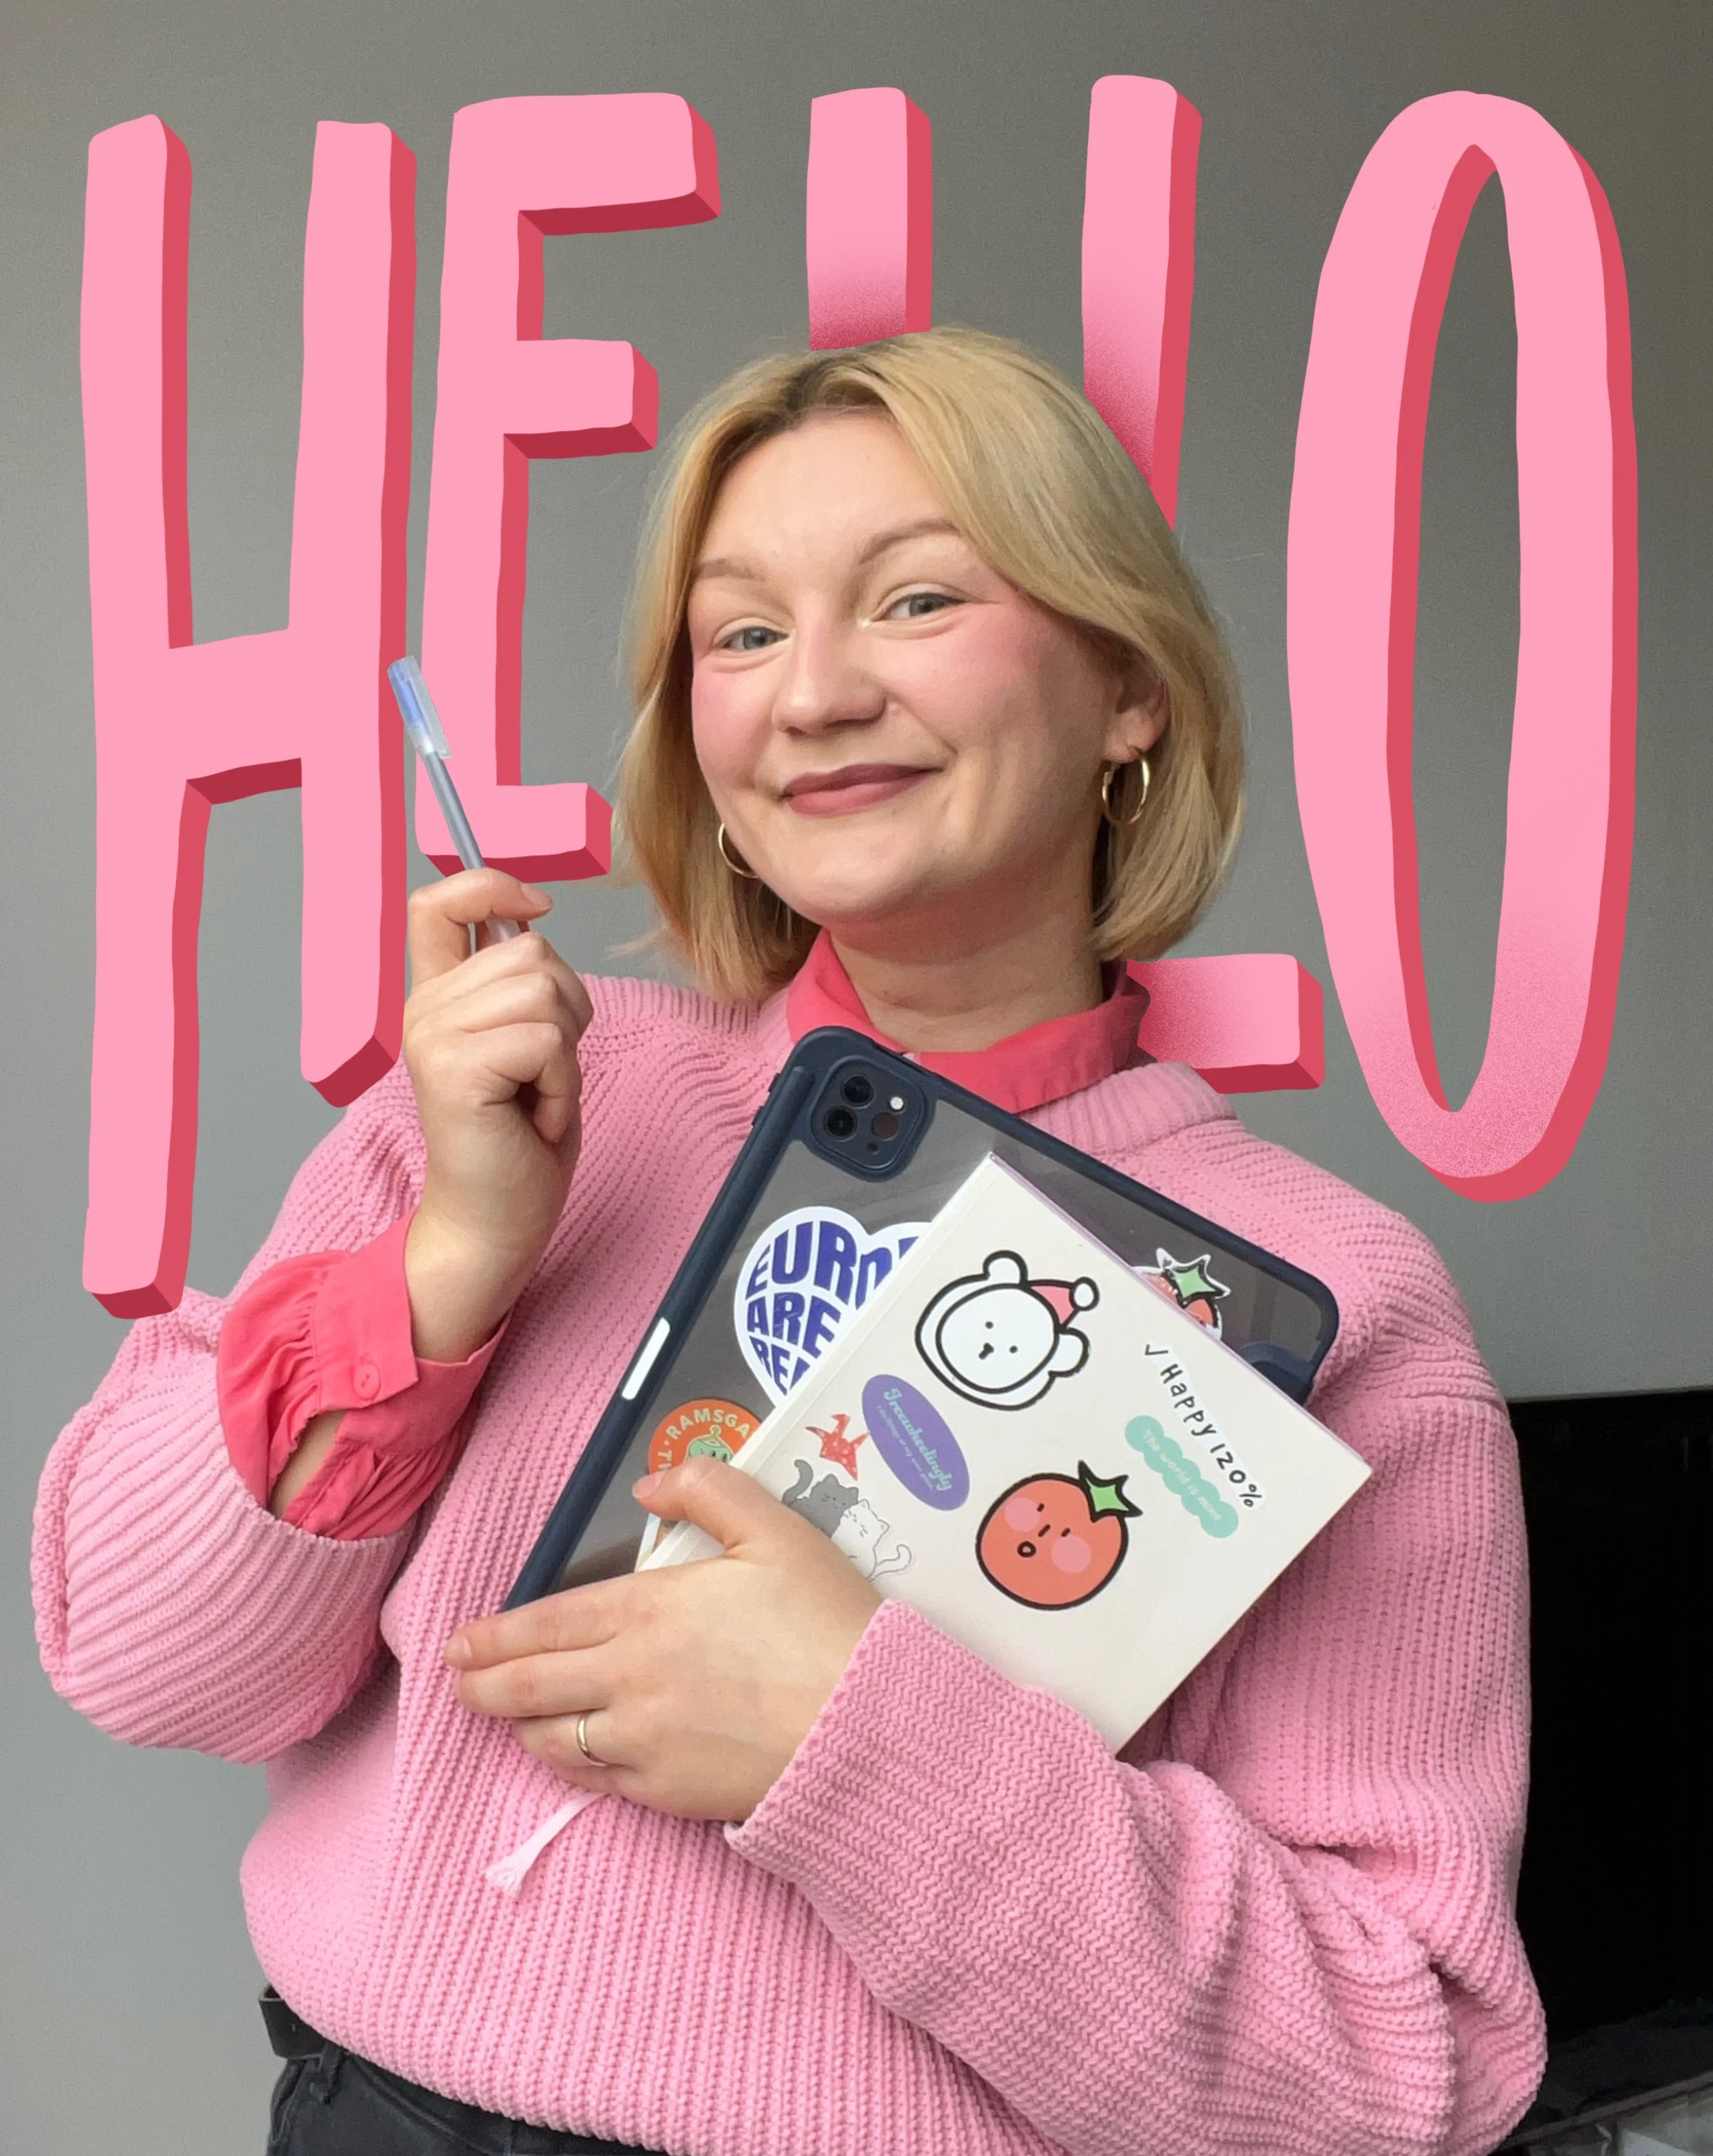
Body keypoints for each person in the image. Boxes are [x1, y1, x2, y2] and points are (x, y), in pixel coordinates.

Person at [34, 327, 1545, 2156]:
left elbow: (1398, 2077)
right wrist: (451, 1260)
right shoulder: (524, 1108)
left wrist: (853, 1733)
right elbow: (146, 1667)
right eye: (741, 633)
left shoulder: (1340, 1305)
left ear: (1129, 690)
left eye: (916, 600)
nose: (812, 694)